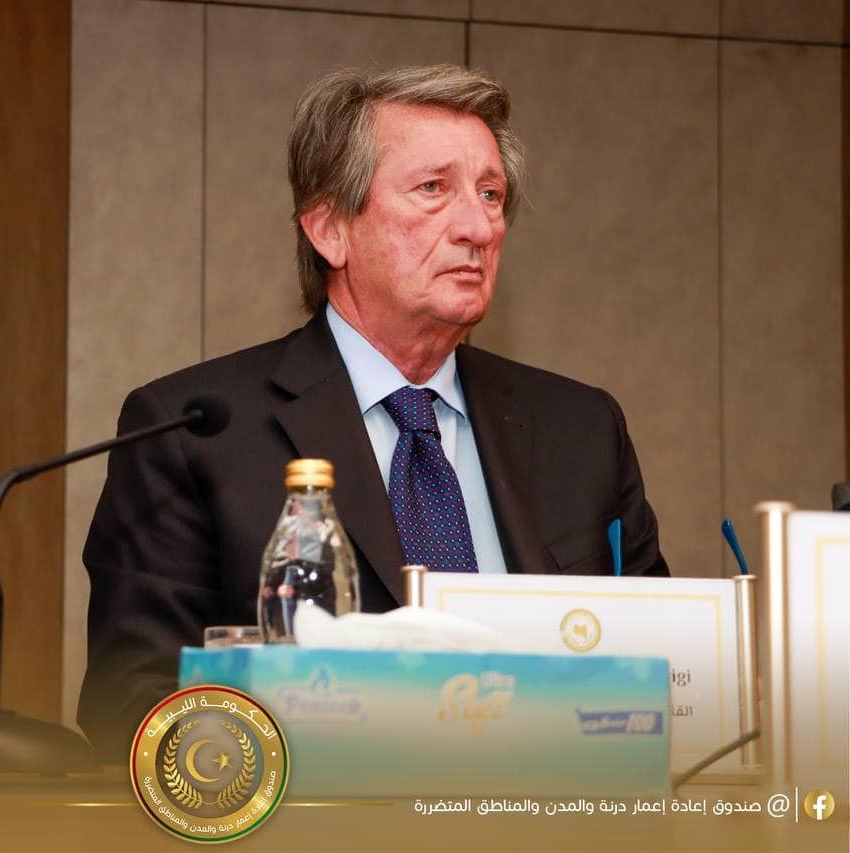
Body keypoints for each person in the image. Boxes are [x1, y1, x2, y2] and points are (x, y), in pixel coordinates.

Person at [77, 64, 669, 761]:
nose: (478, 226)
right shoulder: (195, 433)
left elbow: (667, 668)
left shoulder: (582, 428)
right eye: (433, 189)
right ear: (330, 229)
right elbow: (131, 697)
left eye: (490, 194)